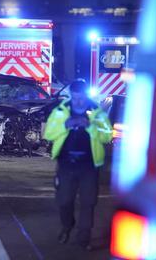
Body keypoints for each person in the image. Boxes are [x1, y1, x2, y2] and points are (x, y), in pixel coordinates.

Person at [43, 79, 112, 250]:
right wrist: (66, 125)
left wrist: (90, 126)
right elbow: (48, 134)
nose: (77, 102)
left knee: (88, 202)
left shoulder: (97, 112)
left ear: (86, 96)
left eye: (80, 98)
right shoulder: (60, 110)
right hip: (66, 164)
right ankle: (67, 225)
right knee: (64, 201)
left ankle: (84, 238)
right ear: (70, 96)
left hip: (89, 165)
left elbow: (107, 135)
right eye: (74, 98)